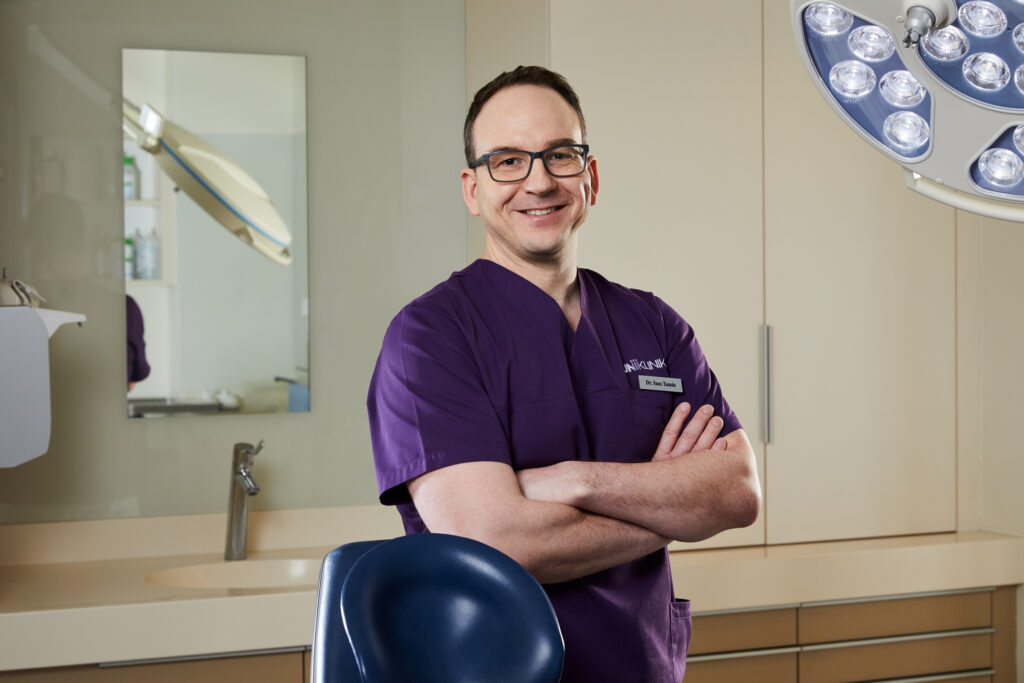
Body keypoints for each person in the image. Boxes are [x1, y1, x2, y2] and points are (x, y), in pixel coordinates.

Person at [367, 66, 761, 682]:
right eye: (508, 161)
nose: (539, 181)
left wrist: (574, 481)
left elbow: (736, 493)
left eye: (560, 155)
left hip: (641, 666)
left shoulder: (653, 324)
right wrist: (673, 505)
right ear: (472, 188)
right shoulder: (431, 337)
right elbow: (495, 541)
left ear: (590, 177)